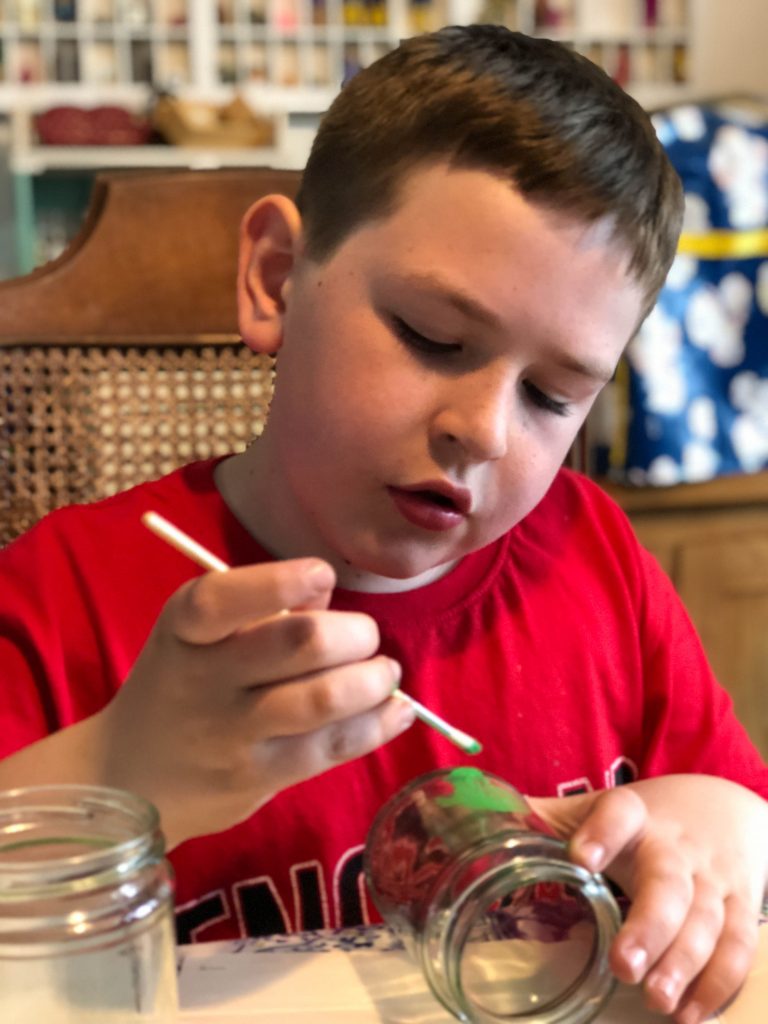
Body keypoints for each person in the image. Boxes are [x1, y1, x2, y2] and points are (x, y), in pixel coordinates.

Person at [0, 24, 766, 1024]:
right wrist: (116, 773)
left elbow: (736, 810)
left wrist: (721, 823)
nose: (483, 431)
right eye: (432, 337)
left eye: (551, 394)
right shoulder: (67, 589)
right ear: (277, 278)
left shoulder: (595, 553)